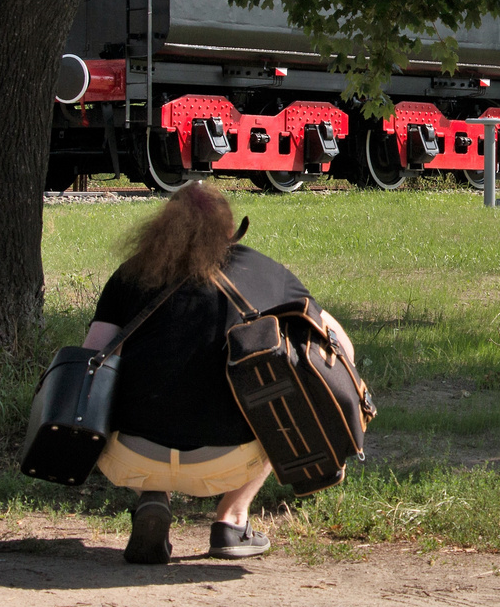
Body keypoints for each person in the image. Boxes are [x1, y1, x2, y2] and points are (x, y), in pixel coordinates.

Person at [82, 182, 355, 564]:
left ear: (162, 226)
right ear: (228, 229)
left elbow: (90, 357)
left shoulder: (130, 274)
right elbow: (339, 345)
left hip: (130, 457)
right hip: (226, 463)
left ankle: (152, 499)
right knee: (278, 401)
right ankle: (232, 519)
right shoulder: (260, 270)